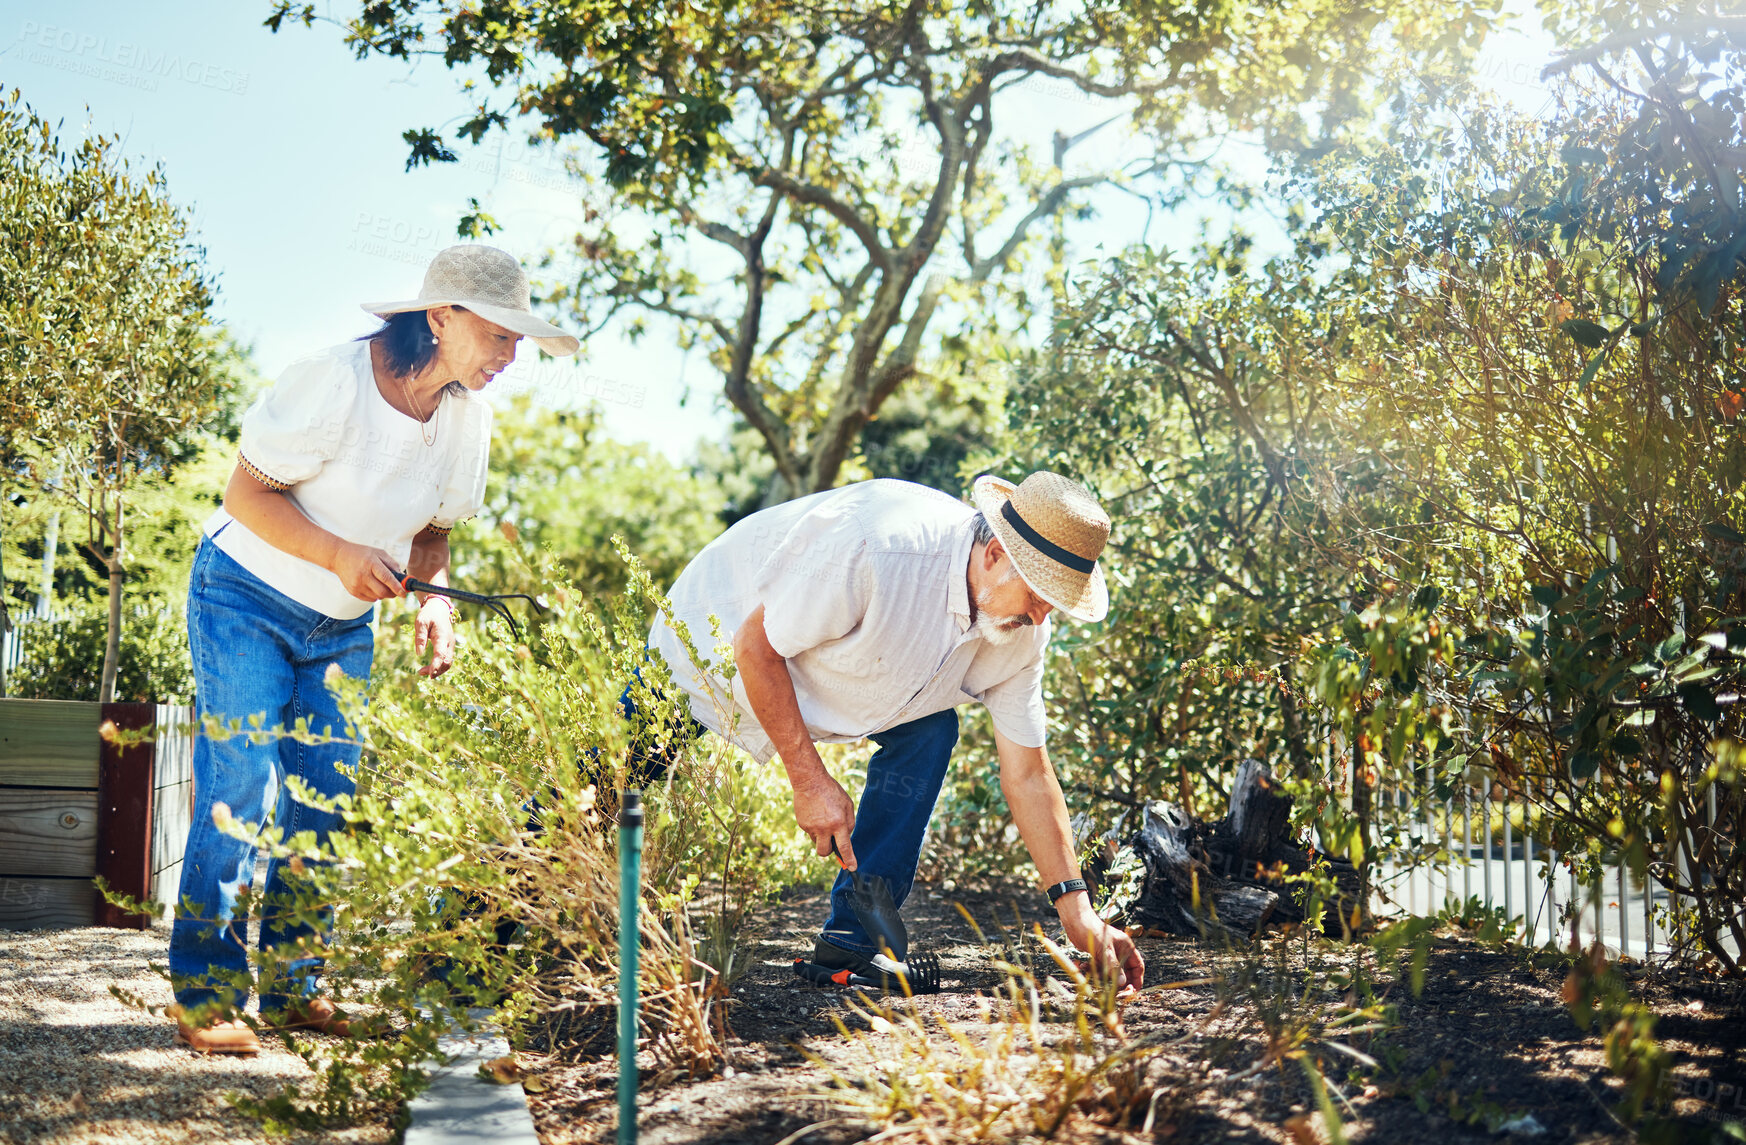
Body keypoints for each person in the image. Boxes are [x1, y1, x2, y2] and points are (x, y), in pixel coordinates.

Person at [167, 245, 579, 1054]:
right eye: (501, 334)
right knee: (241, 784)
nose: (511, 355)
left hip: (344, 627)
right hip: (242, 599)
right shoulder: (334, 381)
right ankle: (208, 992)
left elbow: (434, 528)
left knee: (325, 800)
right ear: (441, 318)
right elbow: (245, 493)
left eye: (519, 341)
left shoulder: (466, 417)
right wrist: (338, 556)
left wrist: (433, 600)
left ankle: (293, 988)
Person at [646, 472, 1146, 991]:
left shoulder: (1023, 635)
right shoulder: (879, 546)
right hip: (703, 650)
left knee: (928, 731)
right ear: (996, 554)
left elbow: (1028, 775)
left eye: (1056, 603)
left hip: (833, 675)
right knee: (605, 785)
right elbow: (754, 646)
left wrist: (1079, 915)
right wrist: (810, 781)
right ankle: (560, 892)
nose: (1043, 617)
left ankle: (851, 945)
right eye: (1039, 594)